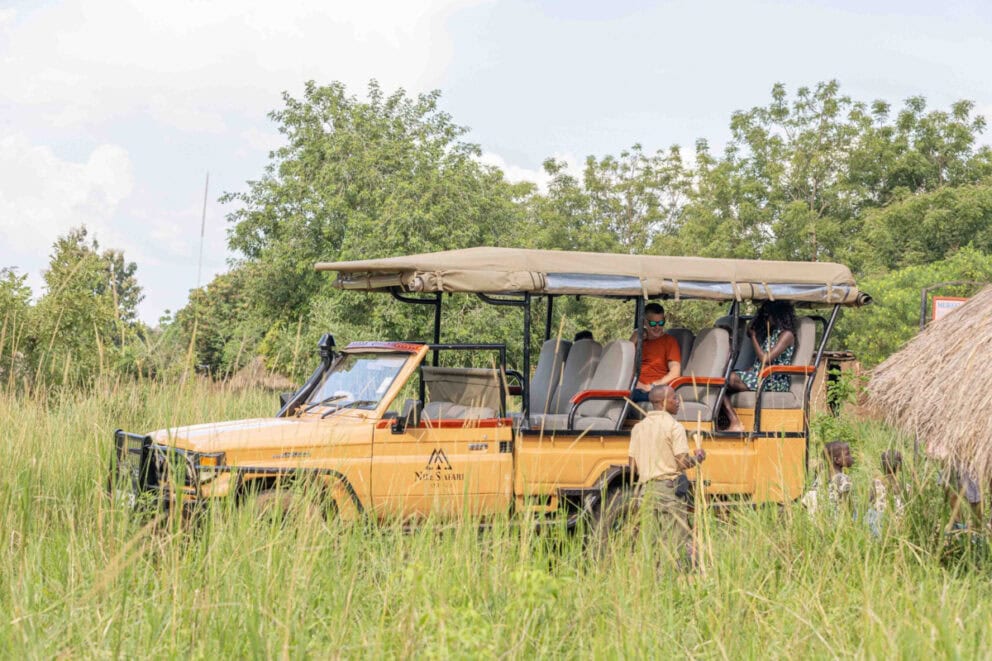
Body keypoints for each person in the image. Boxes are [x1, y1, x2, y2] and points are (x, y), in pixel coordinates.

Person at [628, 385, 706, 567]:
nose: (677, 402)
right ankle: (670, 580)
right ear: (661, 402)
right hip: (669, 490)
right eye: (673, 398)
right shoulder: (674, 427)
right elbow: (682, 463)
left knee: (649, 543)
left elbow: (632, 466)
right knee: (674, 541)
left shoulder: (638, 428)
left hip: (646, 491)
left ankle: (651, 580)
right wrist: (698, 457)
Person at [721, 300, 797, 432]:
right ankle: (725, 422)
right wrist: (759, 316)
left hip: (773, 380)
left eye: (769, 315)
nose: (767, 318)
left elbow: (766, 358)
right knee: (718, 381)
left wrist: (754, 337)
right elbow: (751, 326)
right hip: (760, 375)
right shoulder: (772, 333)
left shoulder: (787, 335)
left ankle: (735, 422)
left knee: (725, 378)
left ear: (778, 315)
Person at [629, 303, 681, 403]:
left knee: (625, 396)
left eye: (661, 323)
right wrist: (634, 337)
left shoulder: (669, 341)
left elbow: (675, 373)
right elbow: (625, 364)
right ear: (644, 322)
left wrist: (651, 386)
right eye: (653, 324)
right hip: (633, 385)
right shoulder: (638, 341)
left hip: (654, 389)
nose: (657, 327)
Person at [866, 450, 905, 537]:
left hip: (879, 523)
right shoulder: (906, 487)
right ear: (900, 466)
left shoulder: (876, 483)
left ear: (882, 466)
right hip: (898, 523)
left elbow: (870, 503)